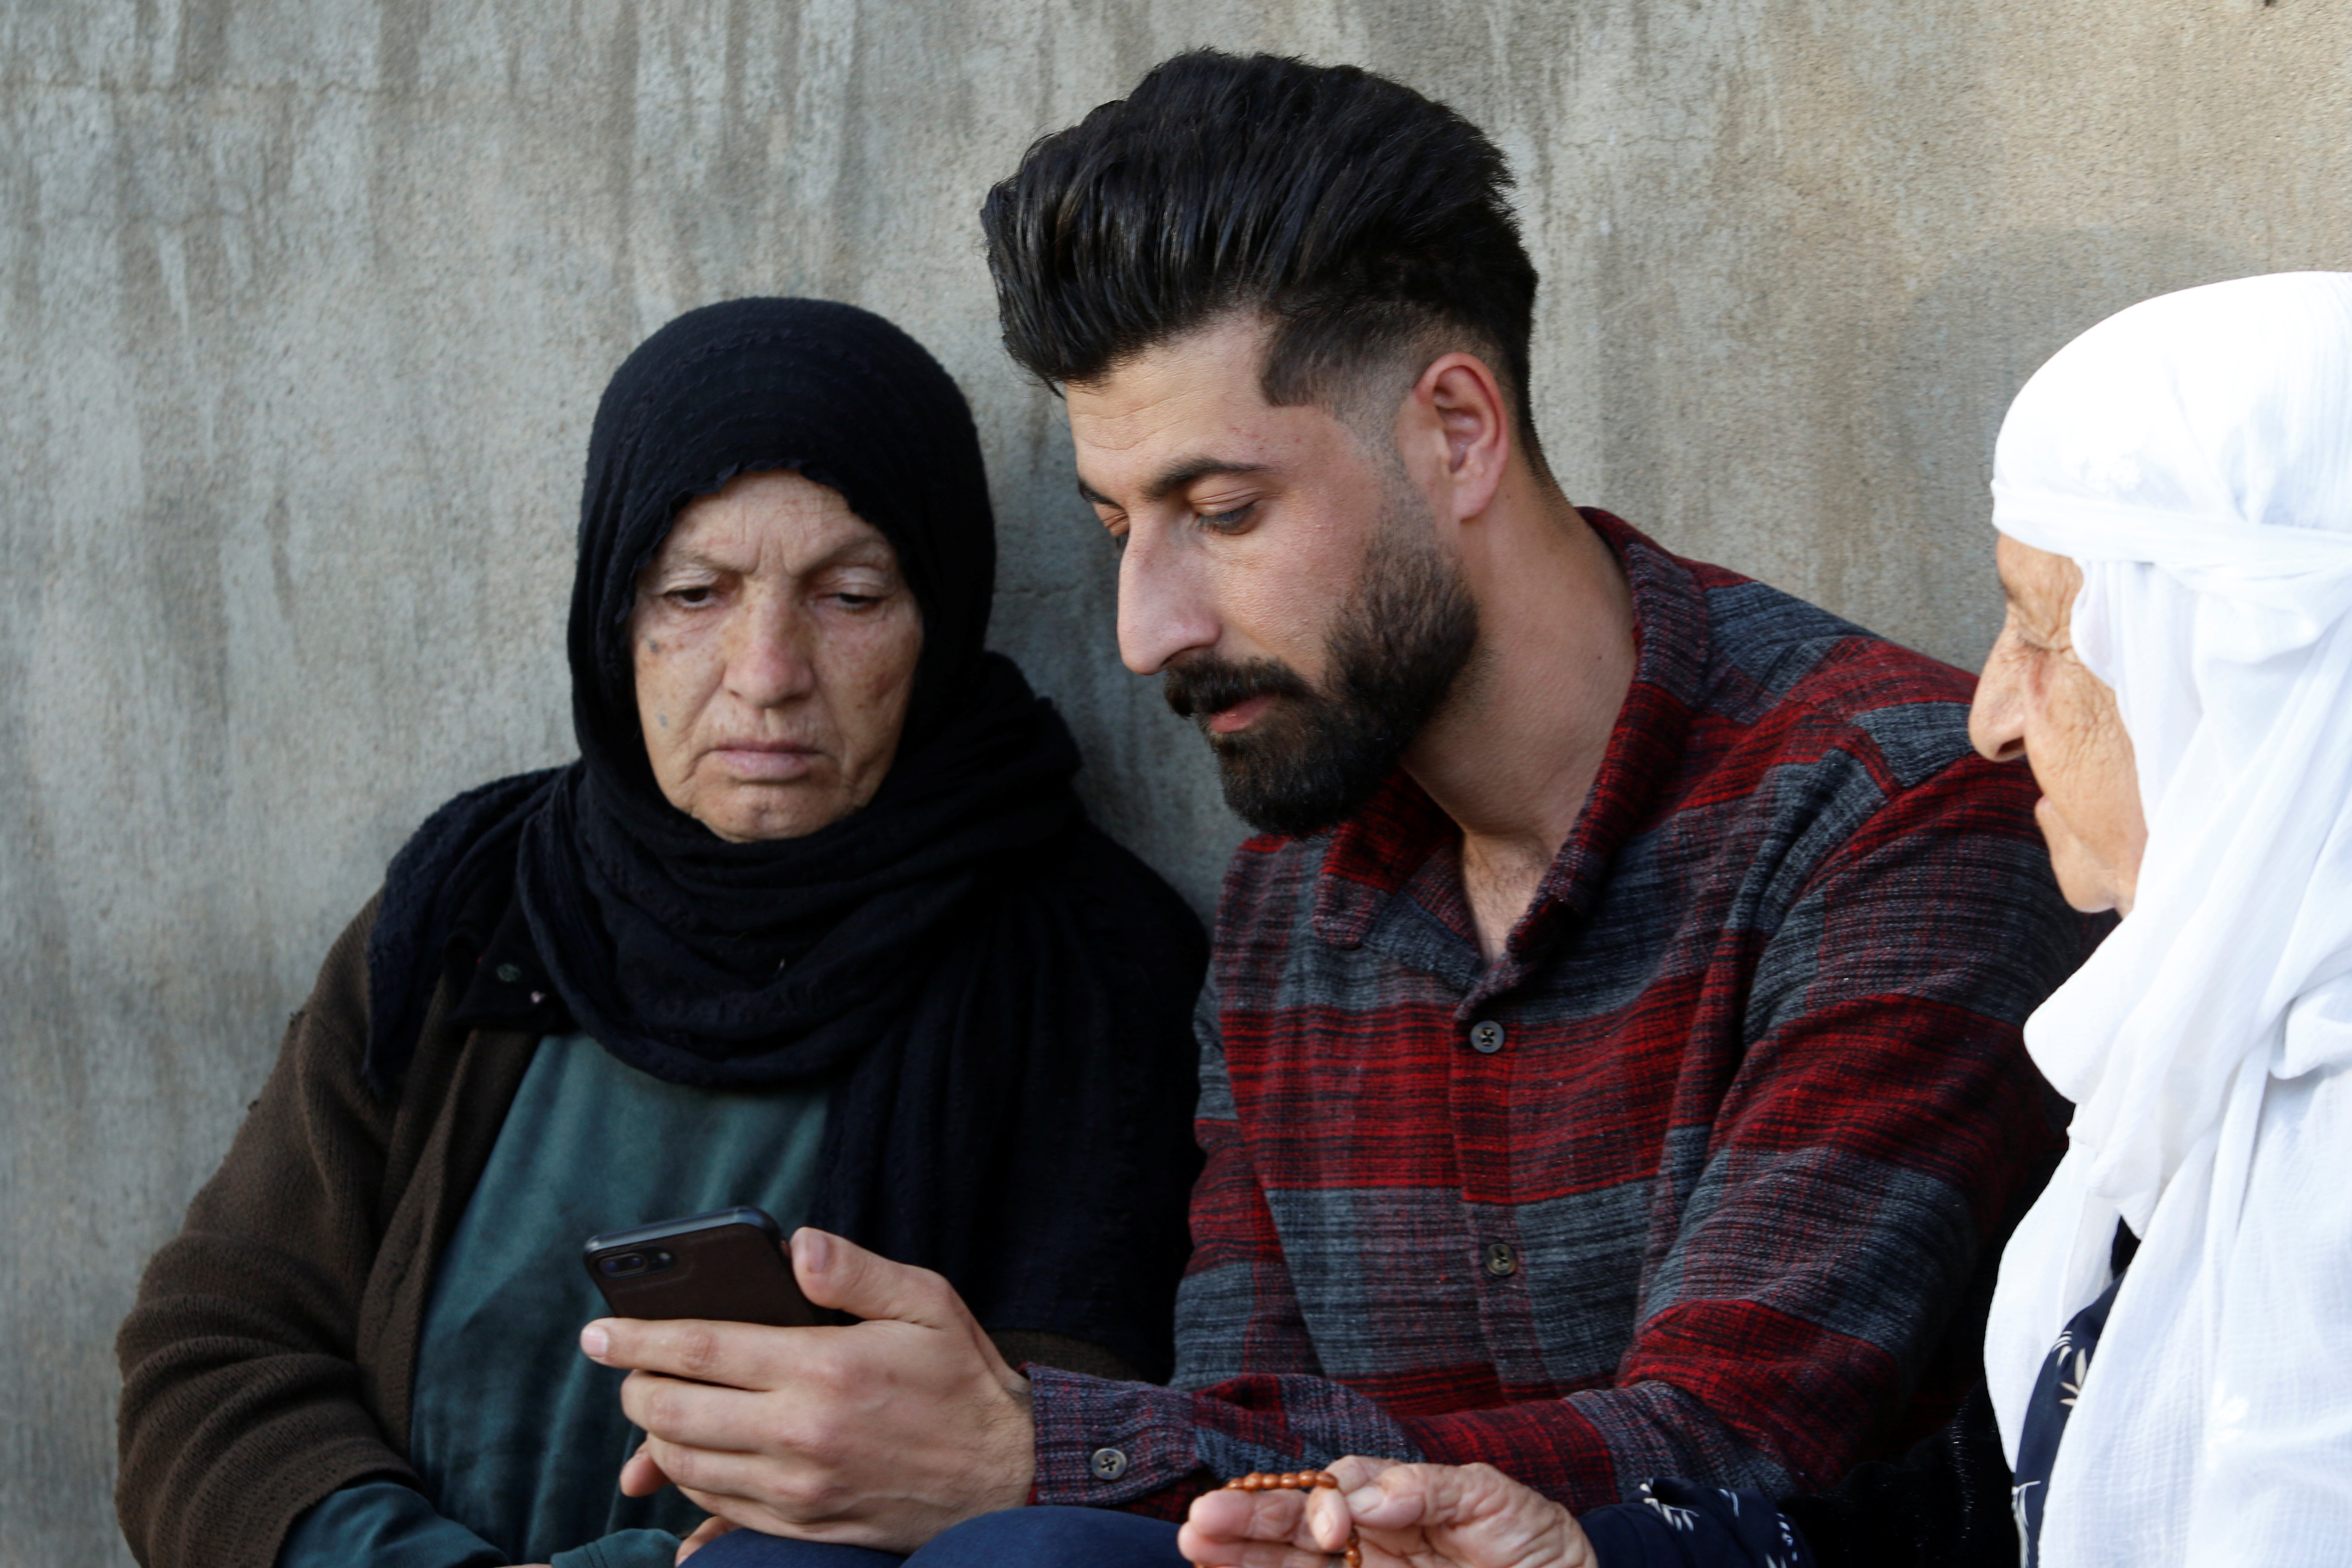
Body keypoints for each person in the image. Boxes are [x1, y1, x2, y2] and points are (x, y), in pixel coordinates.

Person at [584, 54, 2103, 1568]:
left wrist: (1030, 1449)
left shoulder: (1893, 812)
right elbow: (1242, 1436)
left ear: (1456, 431)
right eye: (1121, 528)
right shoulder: (1292, 898)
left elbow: (1729, 1457)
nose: (1146, 627)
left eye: (1224, 513)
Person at [1179, 270, 2352, 1568]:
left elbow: (1752, 1428)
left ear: (2256, 671)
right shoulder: (2182, 1113)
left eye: (2045, 638)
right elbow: (1973, 1525)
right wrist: (1589, 1555)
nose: (1994, 717)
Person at [112, 298, 1209, 1568]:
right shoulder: (478, 909)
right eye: (693, 592)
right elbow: (215, 1350)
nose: (765, 670)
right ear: (612, 615)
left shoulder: (1082, 969)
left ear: (944, 615)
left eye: (850, 595)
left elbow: (1054, 1447)